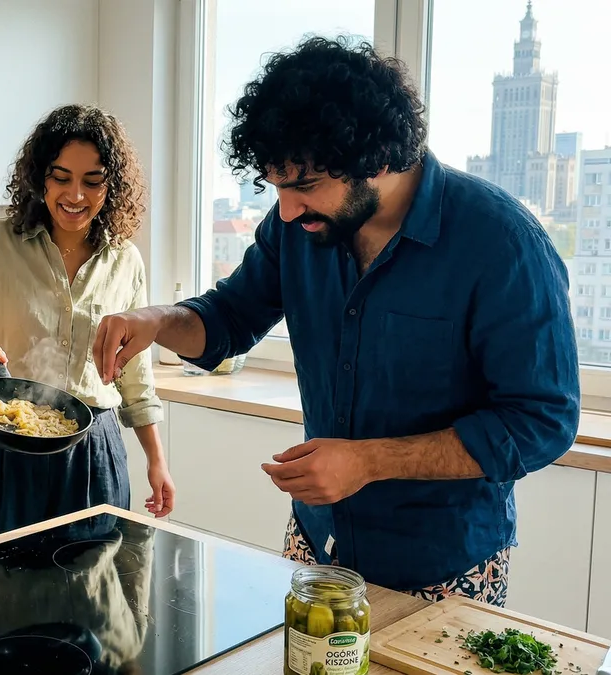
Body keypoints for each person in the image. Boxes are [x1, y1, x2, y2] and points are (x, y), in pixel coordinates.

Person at [93, 36, 580, 605]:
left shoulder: (501, 244)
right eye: (276, 187)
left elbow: (542, 420)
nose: (286, 210)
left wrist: (370, 461)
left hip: (442, 565)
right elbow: (228, 318)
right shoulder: (298, 228)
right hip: (316, 543)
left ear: (373, 161)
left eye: (303, 187)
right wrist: (156, 320)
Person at [0, 104, 176, 540]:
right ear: (40, 178)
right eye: (61, 177)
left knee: (94, 589)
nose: (75, 195)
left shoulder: (125, 260)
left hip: (93, 452)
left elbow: (135, 372)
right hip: (3, 443)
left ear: (113, 187)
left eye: (93, 182)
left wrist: (156, 459)